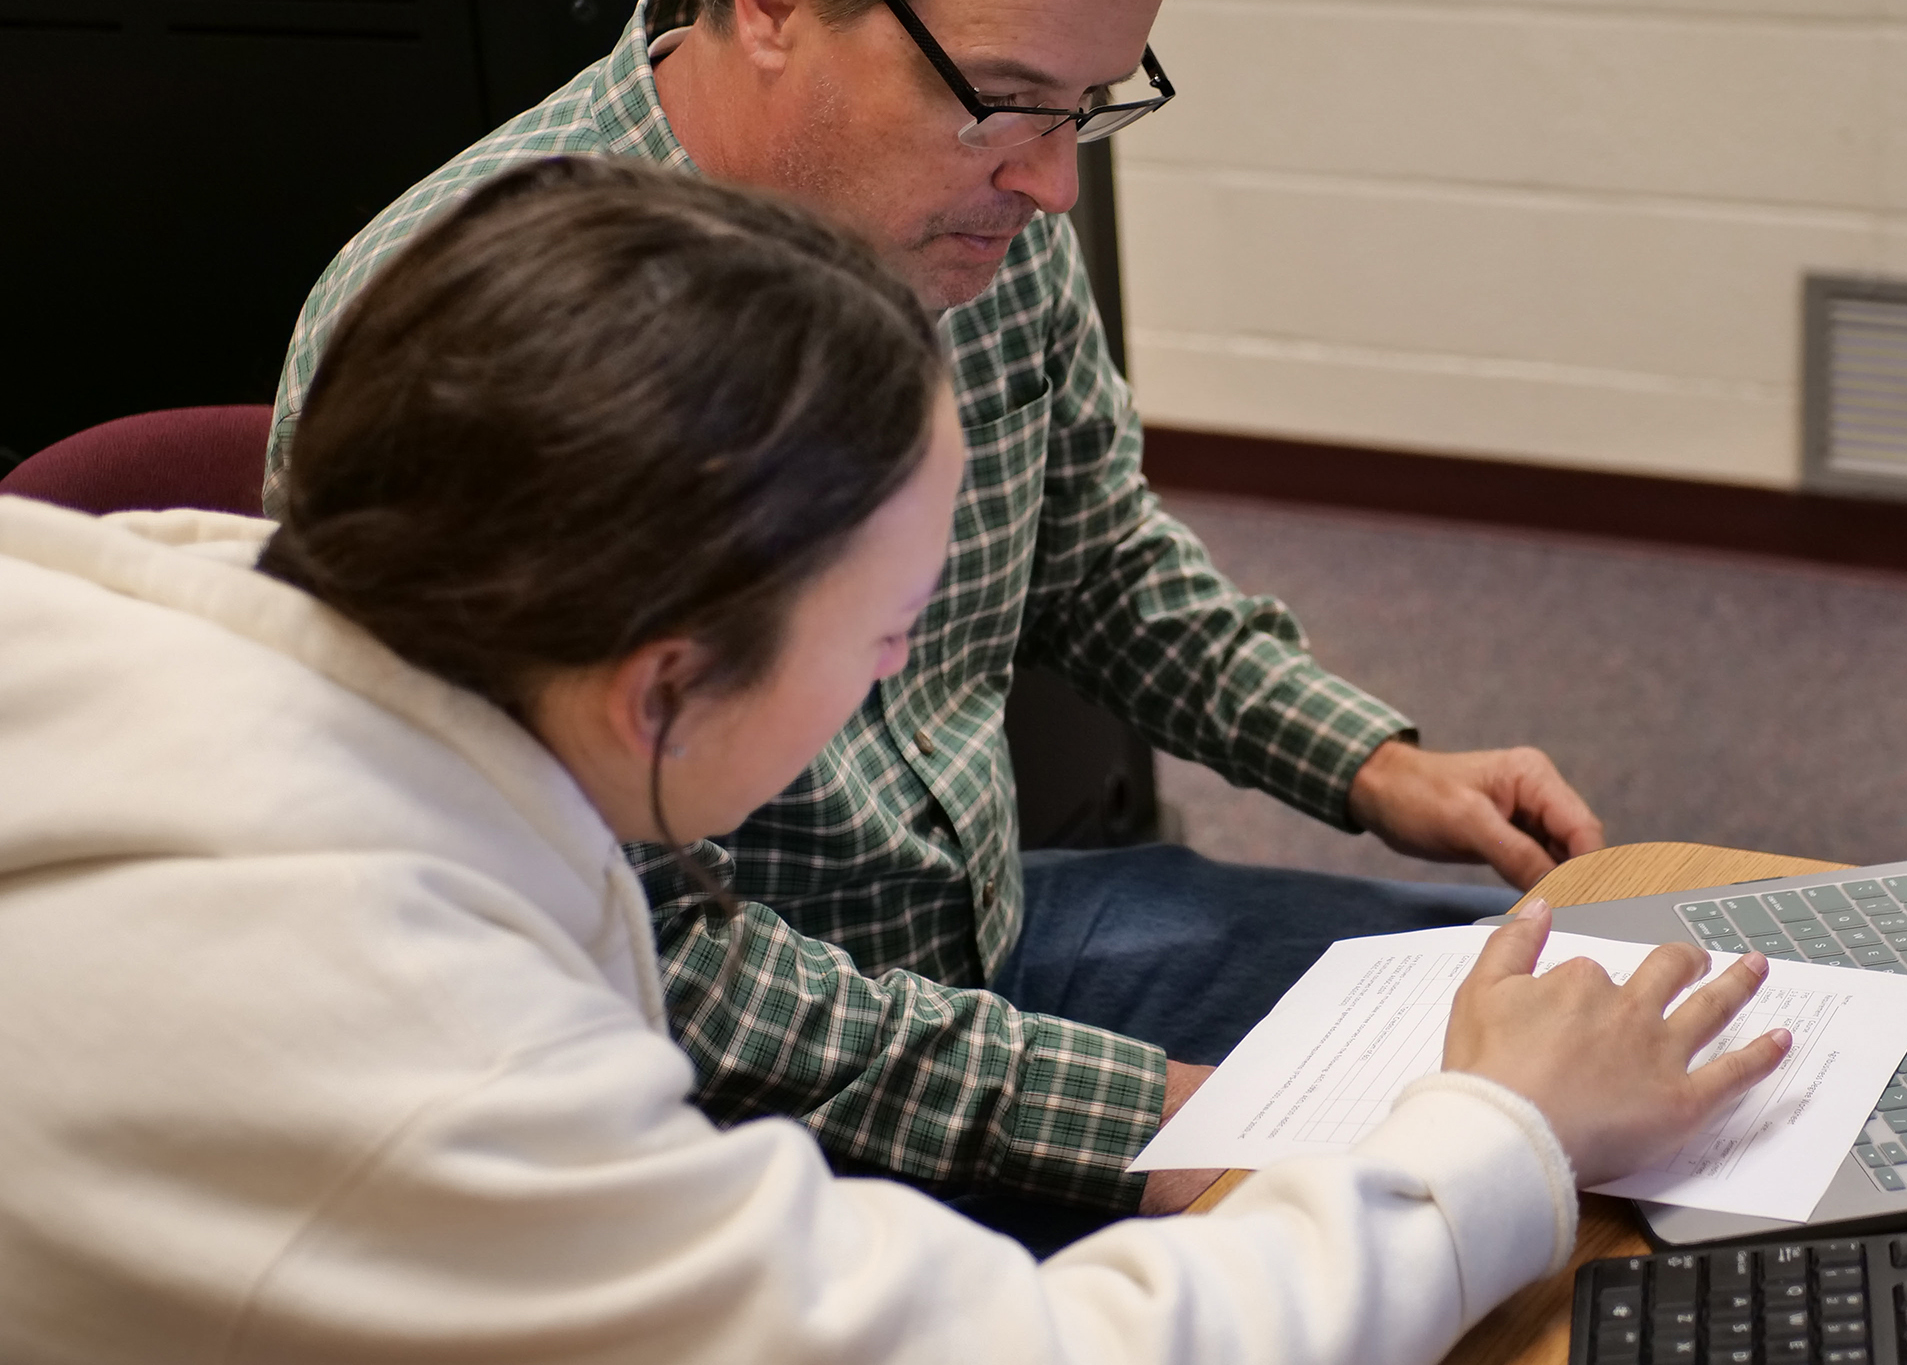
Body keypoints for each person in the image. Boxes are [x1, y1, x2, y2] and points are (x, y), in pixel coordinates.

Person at [0, 158, 1791, 1364]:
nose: (907, 669)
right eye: (884, 639)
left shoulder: (176, 627)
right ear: (666, 688)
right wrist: (1500, 1135)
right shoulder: (410, 1059)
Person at [265, 0, 1615, 1238]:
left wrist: (1374, 763)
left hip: (986, 943)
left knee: (1559, 1017)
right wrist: (1191, 1123)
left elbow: (1094, 558)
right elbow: (649, 963)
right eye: (1006, 103)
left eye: (1087, 108)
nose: (1049, 182)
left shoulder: (967, 209)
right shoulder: (488, 329)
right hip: (711, 1120)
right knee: (1440, 1237)